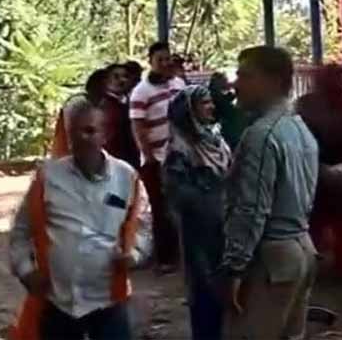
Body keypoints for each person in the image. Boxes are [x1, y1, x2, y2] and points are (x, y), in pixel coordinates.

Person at [9, 101, 151, 340]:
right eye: (73, 132)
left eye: (89, 131)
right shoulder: (48, 177)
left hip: (108, 300)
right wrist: (26, 270)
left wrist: (135, 254)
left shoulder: (126, 178)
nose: (81, 139)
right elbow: (21, 230)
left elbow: (143, 225)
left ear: (105, 135)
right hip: (58, 301)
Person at [218, 46, 318, 340]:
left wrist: (235, 267)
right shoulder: (299, 128)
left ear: (272, 81)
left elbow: (251, 209)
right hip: (300, 249)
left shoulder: (262, 135)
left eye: (245, 75)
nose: (236, 84)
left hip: (271, 257)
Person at [164, 85, 233, 340]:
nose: (211, 107)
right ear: (189, 110)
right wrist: (208, 193)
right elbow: (178, 194)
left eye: (210, 102)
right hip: (198, 231)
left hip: (223, 224)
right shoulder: (179, 149)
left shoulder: (215, 139)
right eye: (204, 103)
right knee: (204, 289)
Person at [295, 63, 342, 281]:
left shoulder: (305, 104)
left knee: (313, 221)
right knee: (340, 221)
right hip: (337, 170)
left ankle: (311, 267)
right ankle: (341, 266)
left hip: (313, 171)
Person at [129, 41, 185, 271]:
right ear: (150, 62)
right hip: (156, 159)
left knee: (181, 205)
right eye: (159, 59)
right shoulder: (141, 92)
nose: (164, 63)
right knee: (160, 208)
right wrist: (148, 155)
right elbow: (138, 125)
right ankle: (165, 258)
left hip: (179, 155)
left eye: (167, 58)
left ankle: (181, 253)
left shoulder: (178, 84)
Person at [209, 72, 247, 152]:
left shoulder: (216, 93)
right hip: (223, 129)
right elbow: (226, 106)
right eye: (225, 80)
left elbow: (228, 97)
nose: (227, 82)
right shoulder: (215, 96)